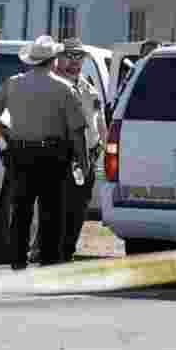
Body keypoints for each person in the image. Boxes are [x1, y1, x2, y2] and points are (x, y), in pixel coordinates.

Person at [0, 35, 88, 269]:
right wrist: (83, 160)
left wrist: (5, 130)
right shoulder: (64, 88)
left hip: (21, 153)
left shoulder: (13, 83)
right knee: (52, 210)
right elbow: (77, 131)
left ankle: (18, 258)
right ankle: (49, 260)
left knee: (21, 209)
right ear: (53, 61)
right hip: (53, 156)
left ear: (31, 61)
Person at [54, 38, 106, 261]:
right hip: (59, 155)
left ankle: (67, 250)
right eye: (69, 55)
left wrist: (103, 146)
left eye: (79, 56)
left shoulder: (88, 88)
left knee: (78, 207)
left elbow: (100, 121)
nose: (74, 61)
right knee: (56, 206)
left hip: (87, 157)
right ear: (58, 57)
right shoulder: (51, 85)